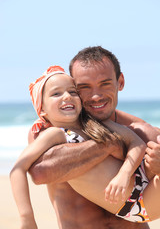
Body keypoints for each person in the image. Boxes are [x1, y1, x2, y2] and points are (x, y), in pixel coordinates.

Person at [10, 65, 160, 229]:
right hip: (133, 206)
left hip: (143, 186)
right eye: (56, 93)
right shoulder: (54, 134)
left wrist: (124, 174)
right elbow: (18, 169)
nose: (67, 96)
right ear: (42, 110)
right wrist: (27, 216)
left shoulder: (99, 124)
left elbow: (136, 142)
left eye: (73, 92)